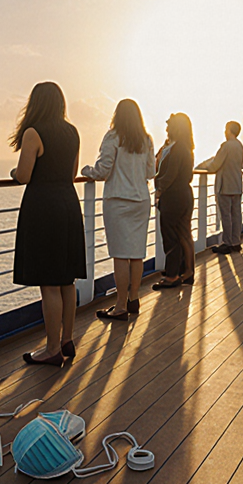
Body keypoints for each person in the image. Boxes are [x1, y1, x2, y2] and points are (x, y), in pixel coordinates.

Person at [10, 82, 87, 364]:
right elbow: (73, 172)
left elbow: (24, 175)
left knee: (49, 284)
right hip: (68, 203)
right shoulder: (72, 132)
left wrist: (12, 172)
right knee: (66, 279)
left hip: (43, 208)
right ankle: (67, 340)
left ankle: (52, 349)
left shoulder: (34, 132)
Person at [83, 99, 155, 322]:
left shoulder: (113, 136)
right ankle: (133, 298)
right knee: (136, 253)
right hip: (141, 200)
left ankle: (121, 305)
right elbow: (151, 172)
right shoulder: (146, 139)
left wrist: (88, 171)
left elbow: (104, 169)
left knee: (120, 255)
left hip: (118, 201)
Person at [153, 113, 196, 289]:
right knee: (184, 234)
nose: (166, 128)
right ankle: (188, 272)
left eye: (169, 125)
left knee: (170, 235)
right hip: (185, 194)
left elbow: (169, 174)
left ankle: (172, 276)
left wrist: (159, 191)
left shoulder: (176, 149)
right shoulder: (186, 147)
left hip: (173, 196)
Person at [199, 121, 243, 254]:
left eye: (226, 129)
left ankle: (227, 243)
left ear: (230, 130)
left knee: (226, 215)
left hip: (225, 185)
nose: (225, 132)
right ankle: (236, 242)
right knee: (236, 215)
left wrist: (204, 167)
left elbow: (215, 164)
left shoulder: (226, 146)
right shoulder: (240, 146)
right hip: (236, 184)